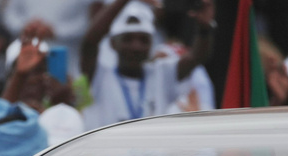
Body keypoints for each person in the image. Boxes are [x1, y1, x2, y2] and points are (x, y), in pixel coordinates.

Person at [80, 0, 215, 130]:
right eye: (128, 39)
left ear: (152, 44)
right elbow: (90, 43)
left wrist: (204, 28)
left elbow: (196, 58)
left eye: (143, 40)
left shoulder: (161, 73)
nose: (136, 47)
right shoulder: (99, 75)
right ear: (113, 43)